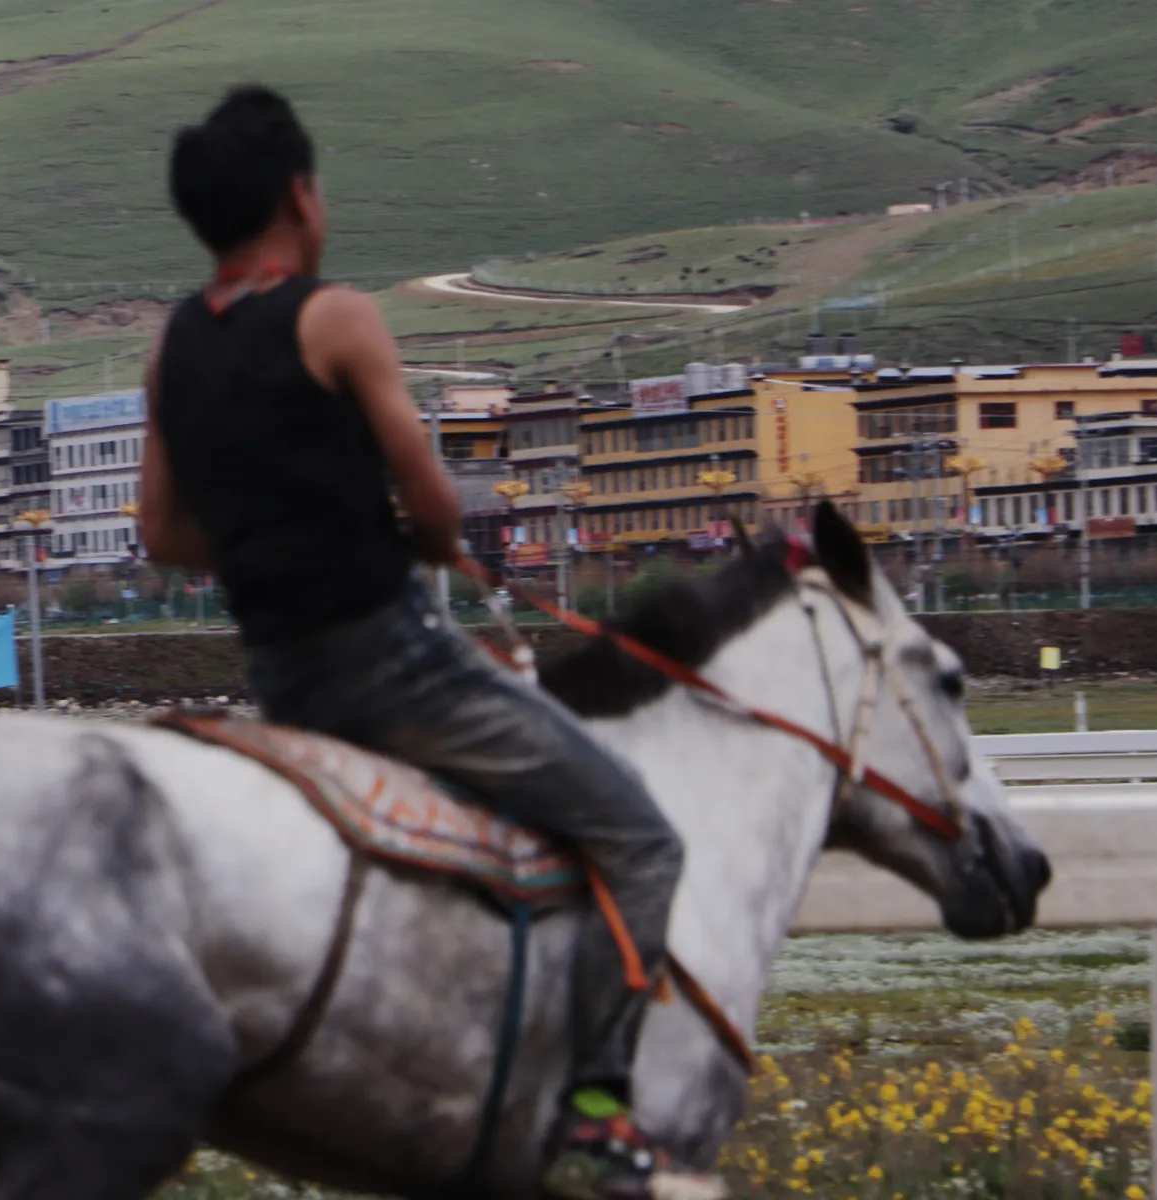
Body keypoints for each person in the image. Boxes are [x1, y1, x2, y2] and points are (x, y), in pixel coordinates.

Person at [136, 85, 712, 1200]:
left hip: (279, 681)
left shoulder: (170, 351)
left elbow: (160, 534)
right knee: (642, 841)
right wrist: (417, 536)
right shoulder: (334, 316)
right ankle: (596, 1118)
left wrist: (270, 543)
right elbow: (438, 506)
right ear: (299, 195)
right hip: (396, 666)